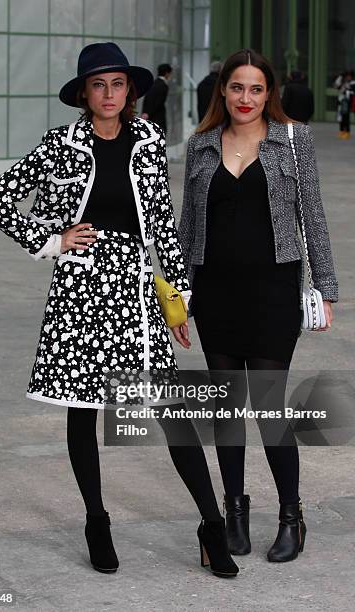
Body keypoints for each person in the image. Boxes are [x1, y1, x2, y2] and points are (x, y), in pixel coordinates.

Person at [0, 42, 239, 578]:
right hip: (80, 289)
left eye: (117, 84)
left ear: (130, 92)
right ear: (83, 94)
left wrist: (178, 301)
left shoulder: (147, 140)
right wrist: (52, 238)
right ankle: (97, 521)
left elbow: (163, 227)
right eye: (98, 85)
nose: (109, 94)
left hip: (135, 291)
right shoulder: (60, 145)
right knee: (83, 412)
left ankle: (212, 526)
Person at [179, 48, 338, 563]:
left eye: (256, 88)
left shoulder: (294, 141)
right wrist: (179, 297)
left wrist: (325, 289)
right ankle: (234, 514)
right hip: (215, 293)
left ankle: (292, 516)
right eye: (236, 87)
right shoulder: (201, 145)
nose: (245, 98)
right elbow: (186, 226)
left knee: (270, 409)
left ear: (270, 93)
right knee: (227, 413)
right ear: (221, 91)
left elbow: (312, 215)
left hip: (273, 292)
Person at [141, 63, 172, 134]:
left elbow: (147, 98)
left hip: (150, 117)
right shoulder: (164, 86)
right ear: (167, 73)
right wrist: (148, 113)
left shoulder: (153, 83)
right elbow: (159, 103)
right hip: (158, 118)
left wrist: (145, 112)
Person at [334, 71, 355, 139]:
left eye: (349, 76)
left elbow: (352, 92)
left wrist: (346, 91)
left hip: (347, 103)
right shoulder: (344, 83)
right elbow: (336, 85)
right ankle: (342, 131)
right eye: (346, 76)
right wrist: (340, 76)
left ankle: (347, 132)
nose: (348, 77)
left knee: (346, 118)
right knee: (340, 118)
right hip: (341, 102)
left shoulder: (353, 83)